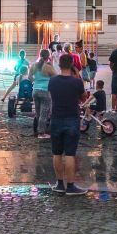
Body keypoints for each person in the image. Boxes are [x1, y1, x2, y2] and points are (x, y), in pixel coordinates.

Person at [46, 53, 88, 196]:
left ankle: (59, 184)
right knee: (70, 154)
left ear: (59, 65)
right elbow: (83, 98)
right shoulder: (76, 82)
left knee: (56, 153)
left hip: (56, 118)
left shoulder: (52, 81)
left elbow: (52, 96)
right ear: (71, 65)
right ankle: (70, 186)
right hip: (72, 118)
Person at [30, 49, 55, 139]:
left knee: (38, 113)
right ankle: (41, 133)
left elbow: (29, 77)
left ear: (40, 55)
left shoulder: (34, 65)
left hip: (35, 91)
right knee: (44, 114)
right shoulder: (48, 66)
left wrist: (35, 82)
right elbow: (55, 77)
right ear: (48, 57)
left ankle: (38, 130)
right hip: (45, 91)